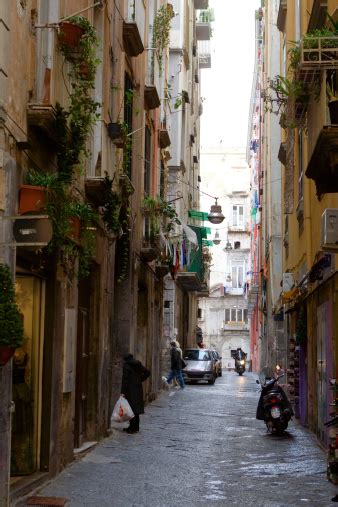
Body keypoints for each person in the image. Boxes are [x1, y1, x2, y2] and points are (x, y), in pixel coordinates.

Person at [121, 353, 150, 434]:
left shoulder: (126, 365)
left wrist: (122, 392)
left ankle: (132, 428)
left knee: (130, 409)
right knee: (136, 409)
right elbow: (147, 372)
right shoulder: (138, 364)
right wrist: (140, 380)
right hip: (137, 388)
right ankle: (135, 427)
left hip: (129, 389)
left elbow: (125, 379)